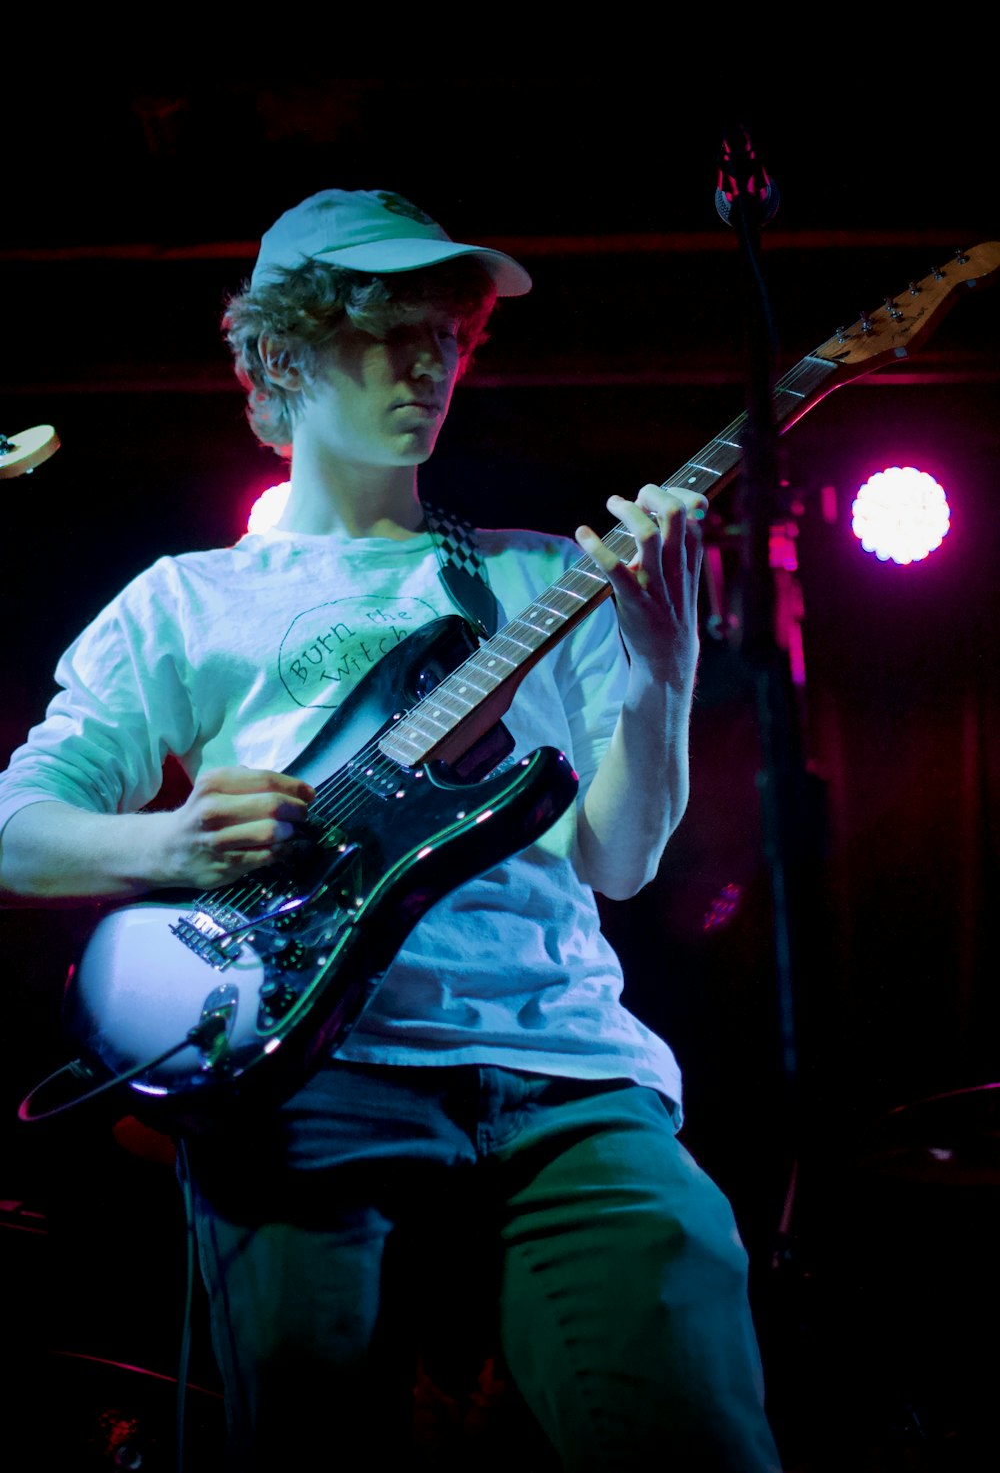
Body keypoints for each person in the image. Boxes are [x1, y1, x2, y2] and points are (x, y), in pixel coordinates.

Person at [0, 188, 783, 1470]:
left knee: (690, 1414)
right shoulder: (185, 603)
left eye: (445, 335)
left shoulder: (542, 577)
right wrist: (165, 848)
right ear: (281, 356)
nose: (427, 363)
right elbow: (14, 827)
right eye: (382, 331)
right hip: (304, 1077)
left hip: (566, 1073)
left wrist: (665, 678)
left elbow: (620, 861)